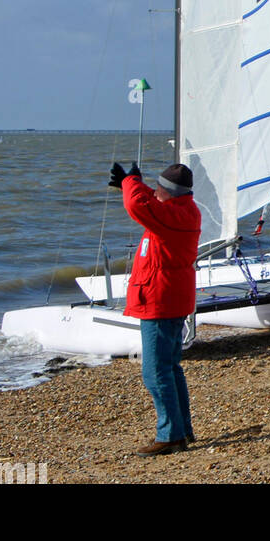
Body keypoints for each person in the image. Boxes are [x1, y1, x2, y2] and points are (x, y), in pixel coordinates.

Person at [110, 160, 201, 455]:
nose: (156, 193)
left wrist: (131, 182)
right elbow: (151, 202)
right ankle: (181, 429)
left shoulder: (172, 215)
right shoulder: (182, 209)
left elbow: (138, 206)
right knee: (170, 367)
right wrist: (132, 184)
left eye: (160, 189)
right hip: (170, 298)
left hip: (160, 300)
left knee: (155, 371)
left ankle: (171, 435)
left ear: (170, 194)